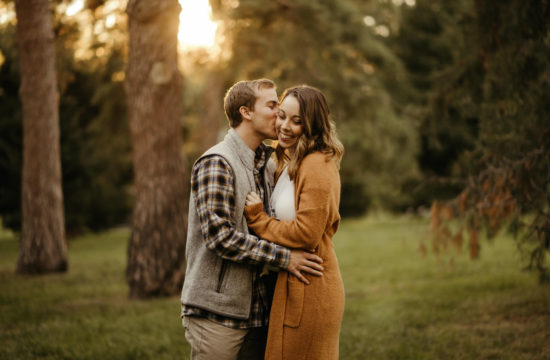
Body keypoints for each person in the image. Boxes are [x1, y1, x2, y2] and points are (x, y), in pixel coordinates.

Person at [180, 79, 325, 360]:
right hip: (217, 313)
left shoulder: (268, 164)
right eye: (272, 106)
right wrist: (285, 258)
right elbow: (220, 238)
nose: (278, 115)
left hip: (259, 310)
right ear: (246, 112)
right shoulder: (217, 163)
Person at [244, 85, 345, 360]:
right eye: (282, 116)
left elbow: (307, 234)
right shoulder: (290, 161)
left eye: (296, 121)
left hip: (311, 285)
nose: (285, 126)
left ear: (313, 124)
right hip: (290, 282)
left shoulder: (316, 164)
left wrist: (258, 220)